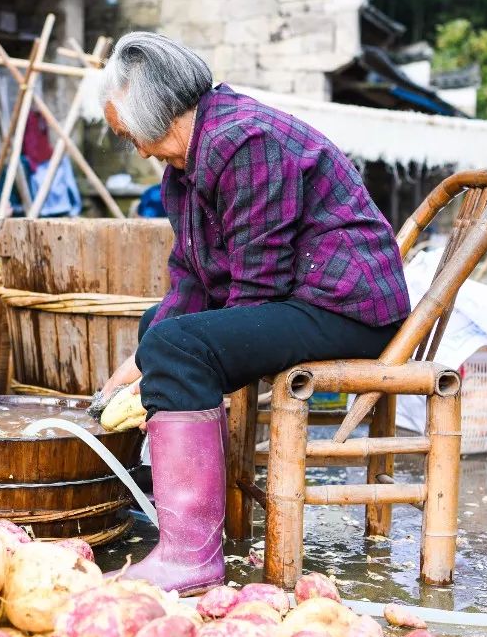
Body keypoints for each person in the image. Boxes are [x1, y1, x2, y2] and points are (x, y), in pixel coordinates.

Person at [98, 33, 411, 594]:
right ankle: (178, 504)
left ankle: (190, 554)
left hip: (346, 307)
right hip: (300, 298)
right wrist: (137, 362)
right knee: (160, 332)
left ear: (152, 112)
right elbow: (193, 278)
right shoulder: (187, 166)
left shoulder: (243, 140)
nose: (138, 151)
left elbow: (257, 283)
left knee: (177, 349)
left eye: (130, 135)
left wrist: (180, 358)